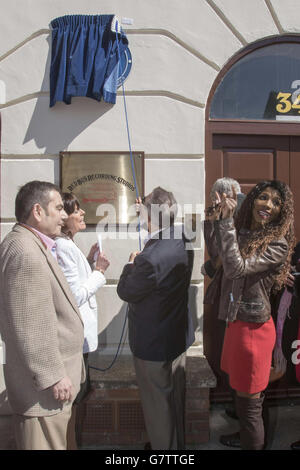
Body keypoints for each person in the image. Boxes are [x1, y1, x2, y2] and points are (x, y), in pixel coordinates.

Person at [205, 180, 295, 450]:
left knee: (250, 410)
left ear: (281, 212)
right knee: (245, 404)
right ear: (253, 200)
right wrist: (220, 218)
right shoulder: (245, 232)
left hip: (254, 332)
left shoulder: (277, 244)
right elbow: (220, 260)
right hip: (237, 324)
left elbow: (236, 269)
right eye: (263, 198)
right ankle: (247, 438)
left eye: (276, 202)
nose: (268, 204)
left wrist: (225, 224)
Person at [0, 181, 85, 450]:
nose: (64, 215)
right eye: (59, 208)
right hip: (43, 394)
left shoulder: (29, 243)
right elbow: (30, 323)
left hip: (47, 392)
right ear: (38, 211)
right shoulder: (25, 251)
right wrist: (52, 376)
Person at [117, 187, 195, 450]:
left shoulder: (149, 259)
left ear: (151, 218)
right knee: (174, 402)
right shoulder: (182, 238)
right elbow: (158, 240)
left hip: (153, 346)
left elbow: (126, 291)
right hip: (176, 337)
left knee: (158, 409)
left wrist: (130, 265)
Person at [55, 193, 110, 449]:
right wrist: (98, 272)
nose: (82, 214)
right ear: (65, 218)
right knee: (75, 400)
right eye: (77, 211)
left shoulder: (69, 244)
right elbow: (74, 295)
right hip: (75, 339)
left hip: (80, 339)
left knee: (79, 396)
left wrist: (88, 261)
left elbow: (72, 280)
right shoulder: (63, 246)